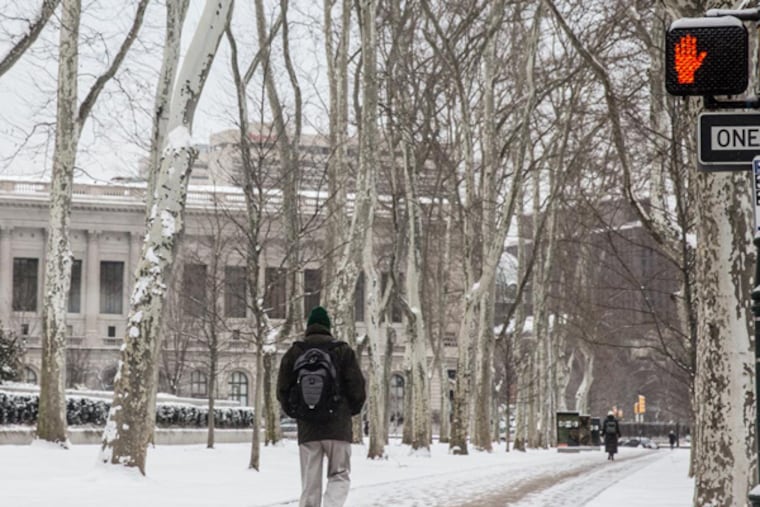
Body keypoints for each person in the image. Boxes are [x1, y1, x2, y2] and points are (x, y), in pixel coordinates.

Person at [277, 306, 366, 507]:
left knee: (310, 482)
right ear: (328, 327)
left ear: (308, 328)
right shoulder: (343, 351)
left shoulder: (295, 352)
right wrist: (348, 411)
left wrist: (298, 412)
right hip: (338, 427)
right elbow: (357, 387)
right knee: (339, 474)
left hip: (308, 429)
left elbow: (282, 389)